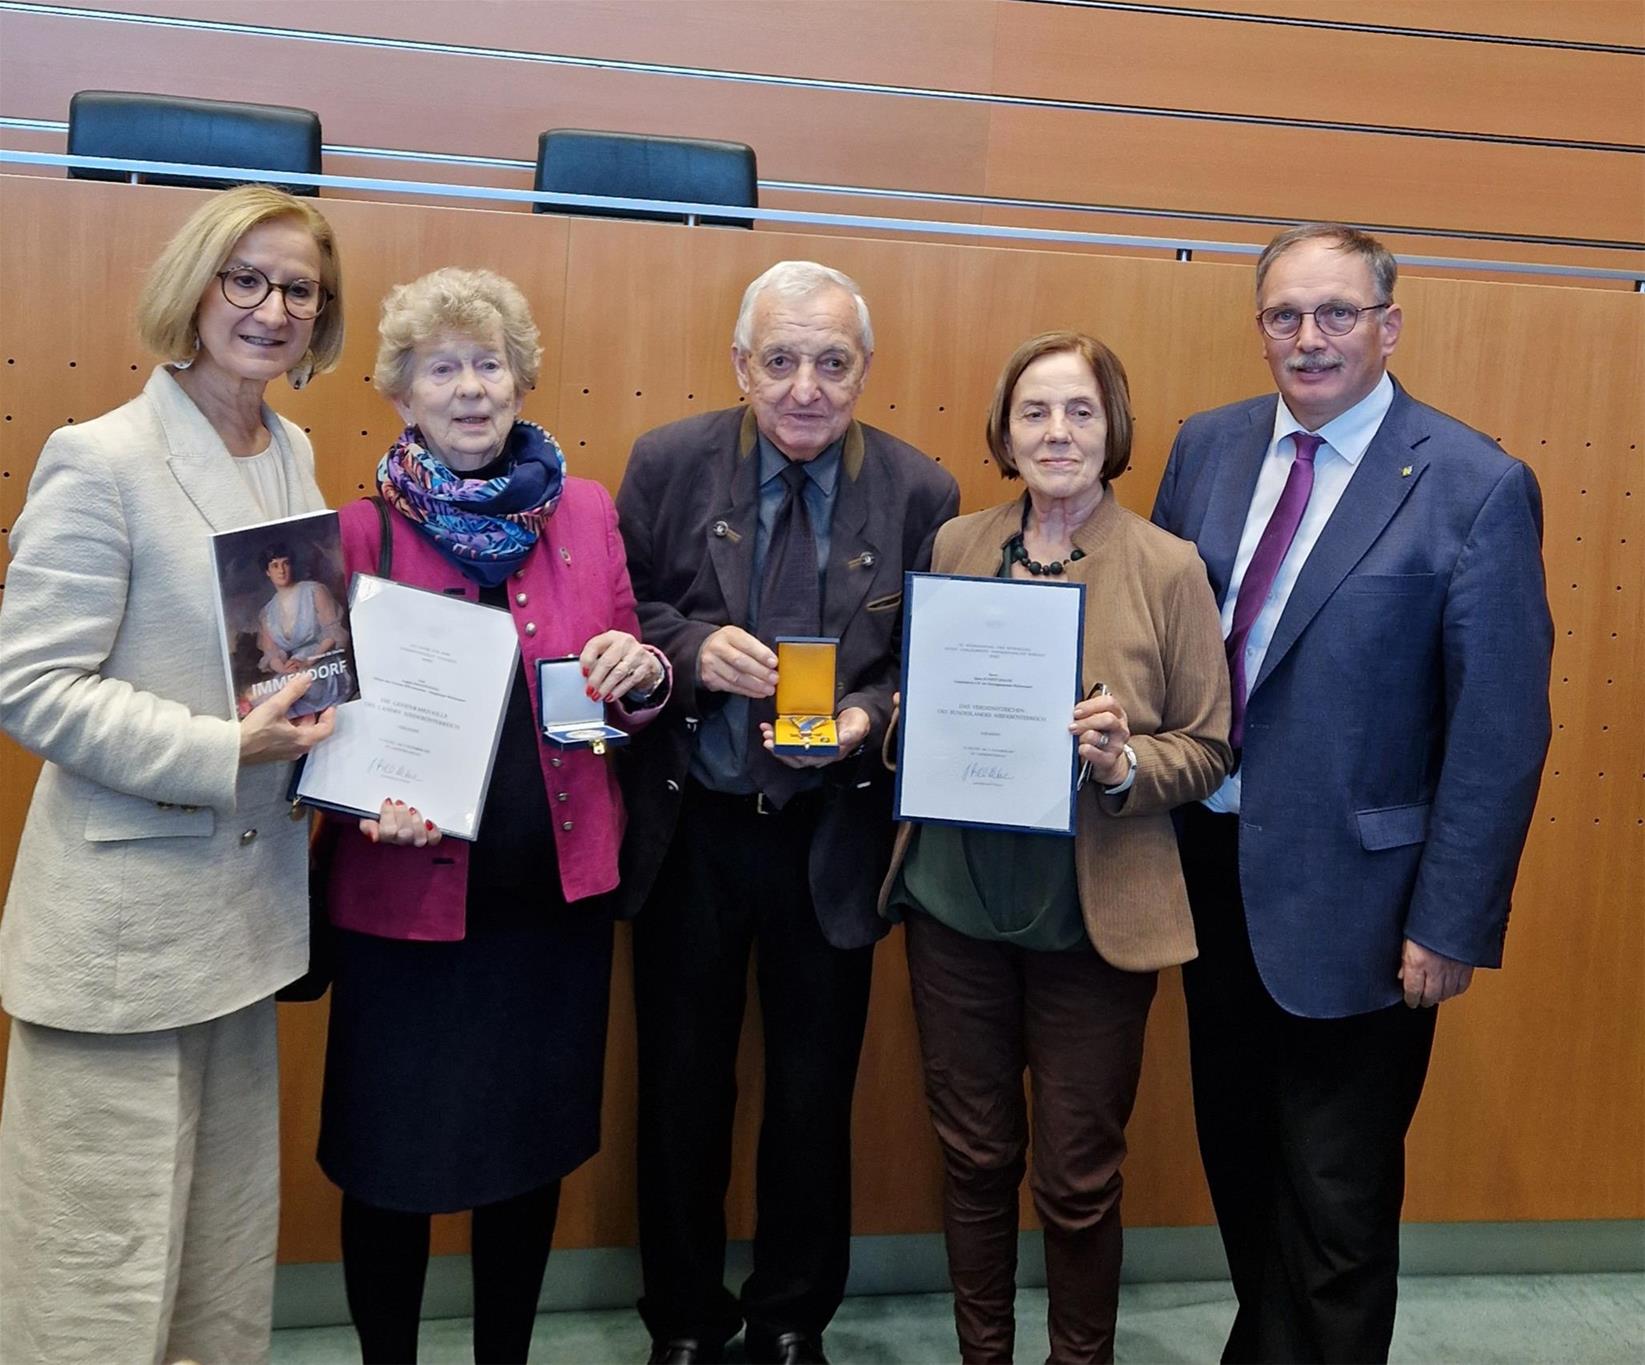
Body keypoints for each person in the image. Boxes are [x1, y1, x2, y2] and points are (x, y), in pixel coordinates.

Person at [1151, 222, 1553, 1363]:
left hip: (1366, 909)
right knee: (1238, 1156)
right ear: (1259, 328)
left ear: (1389, 325)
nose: (1309, 338)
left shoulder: (1473, 484)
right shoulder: (1209, 448)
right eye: (1285, 315)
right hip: (1211, 878)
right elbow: (1170, 644)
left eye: (1336, 313)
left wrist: (1449, 919)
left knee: (1336, 1201)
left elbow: (1498, 731)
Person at [0, 184, 345, 1362]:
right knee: (96, 1273)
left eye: (296, 288)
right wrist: (222, 749)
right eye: (241, 279)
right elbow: (32, 687)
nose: (269, 308)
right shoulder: (98, 459)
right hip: (121, 937)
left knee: (218, 1255)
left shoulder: (290, 449)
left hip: (243, 928)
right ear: (192, 291)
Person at [315, 267, 669, 1365]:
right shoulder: (358, 533)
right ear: (401, 392)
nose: (471, 389)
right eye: (442, 368)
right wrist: (363, 796)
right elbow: (311, 720)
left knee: (527, 1160)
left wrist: (644, 672)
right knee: (390, 1169)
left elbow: (622, 691)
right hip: (403, 910)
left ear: (518, 377)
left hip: (546, 906)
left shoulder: (590, 509)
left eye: (488, 363)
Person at [615, 260, 959, 1365]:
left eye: (832, 362)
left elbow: (928, 664)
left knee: (813, 1098)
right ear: (740, 366)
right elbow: (617, 613)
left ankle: (790, 1319)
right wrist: (687, 649)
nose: (805, 386)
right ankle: (681, 1319)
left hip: (828, 836)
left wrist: (865, 716)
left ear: (864, 370)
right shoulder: (667, 466)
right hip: (692, 831)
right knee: (679, 1092)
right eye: (781, 360)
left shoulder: (919, 492)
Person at [880, 332, 1232, 1364]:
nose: (1056, 433)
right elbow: (917, 716)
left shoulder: (1168, 568)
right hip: (953, 907)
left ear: (1111, 427)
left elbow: (1207, 748)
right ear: (1005, 430)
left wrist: (1125, 766)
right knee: (974, 1159)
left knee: (1078, 1178)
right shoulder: (954, 544)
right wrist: (914, 719)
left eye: (1079, 411)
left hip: (1091, 919)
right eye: (1034, 412)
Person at [254, 540, 352, 714]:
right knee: (263, 701)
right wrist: (284, 668)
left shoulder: (315, 591)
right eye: (275, 565)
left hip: (322, 662)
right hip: (292, 669)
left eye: (285, 563)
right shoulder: (267, 613)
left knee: (305, 691)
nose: (281, 570)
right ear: (267, 572)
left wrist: (308, 661)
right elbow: (272, 654)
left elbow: (333, 633)